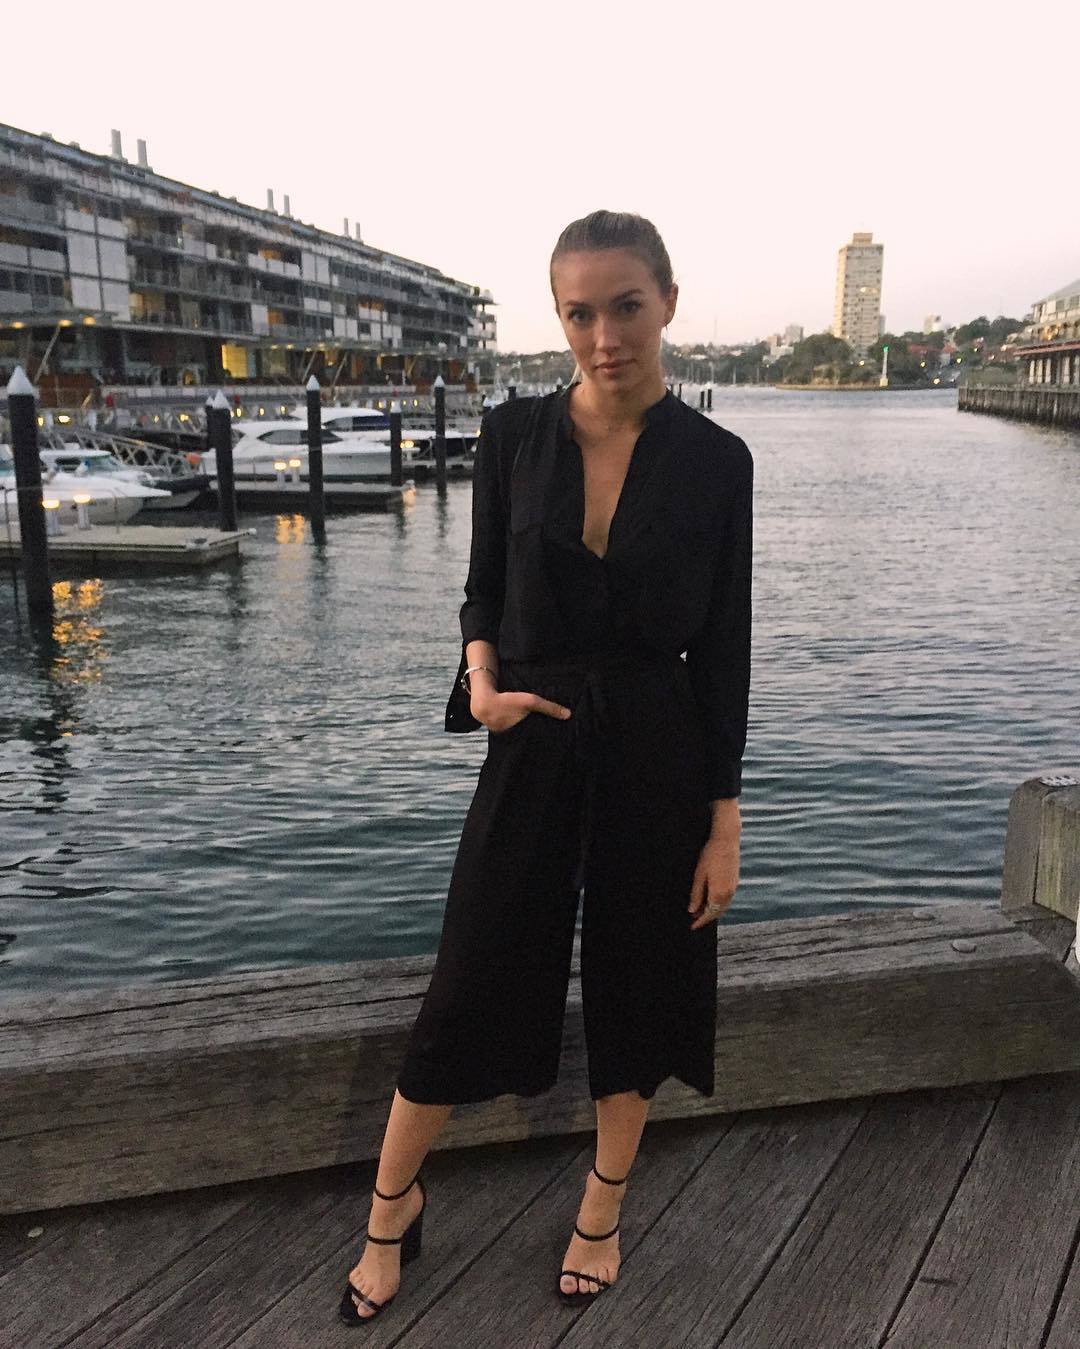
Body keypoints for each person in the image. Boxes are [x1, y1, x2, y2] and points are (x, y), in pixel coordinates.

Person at [339, 209, 753, 1325]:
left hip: (660, 745)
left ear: (668, 302)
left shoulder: (718, 462)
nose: (603, 335)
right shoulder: (512, 433)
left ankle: (602, 1208)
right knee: (470, 971)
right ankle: (392, 1204)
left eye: (626, 306)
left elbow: (724, 648)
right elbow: (482, 590)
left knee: (641, 976)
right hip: (531, 732)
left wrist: (724, 820)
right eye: (579, 312)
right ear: (558, 316)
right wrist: (480, 685)